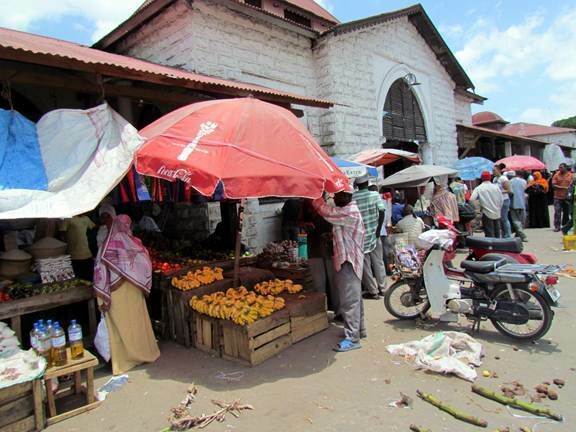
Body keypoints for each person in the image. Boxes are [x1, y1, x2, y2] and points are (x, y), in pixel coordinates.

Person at [93, 214, 160, 374]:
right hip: (134, 289)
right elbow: (146, 262)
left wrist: (101, 296)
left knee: (119, 327)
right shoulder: (135, 244)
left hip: (115, 292)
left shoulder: (105, 246)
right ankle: (145, 353)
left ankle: (123, 361)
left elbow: (99, 270)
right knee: (137, 323)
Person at [311, 187, 366, 352]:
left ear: (348, 196)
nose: (335, 198)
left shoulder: (349, 211)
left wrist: (313, 195)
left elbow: (326, 212)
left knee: (349, 300)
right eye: (336, 195)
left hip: (348, 260)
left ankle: (352, 338)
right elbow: (340, 227)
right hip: (348, 258)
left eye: (340, 195)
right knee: (354, 298)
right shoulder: (346, 210)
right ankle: (359, 330)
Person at [353, 174, 386, 300]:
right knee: (378, 262)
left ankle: (373, 291)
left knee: (365, 265)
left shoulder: (354, 197)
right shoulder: (374, 195)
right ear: (367, 184)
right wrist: (378, 229)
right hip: (374, 234)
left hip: (360, 236)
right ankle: (383, 289)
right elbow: (382, 211)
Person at [301, 200, 336, 313]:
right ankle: (322, 310)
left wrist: (333, 234)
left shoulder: (332, 201)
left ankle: (338, 310)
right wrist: (305, 225)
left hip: (331, 247)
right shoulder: (306, 203)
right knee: (319, 283)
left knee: (334, 281)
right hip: (314, 246)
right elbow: (299, 221)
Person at [59, 214, 96, 280]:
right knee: (77, 279)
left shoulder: (86, 218)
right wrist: (64, 248)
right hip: (74, 255)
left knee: (89, 278)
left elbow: (93, 227)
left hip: (87, 254)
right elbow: (62, 233)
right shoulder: (68, 219)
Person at [470, 171, 503, 238]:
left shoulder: (479, 188)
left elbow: (472, 199)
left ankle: (491, 247)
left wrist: (478, 208)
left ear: (481, 178)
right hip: (497, 211)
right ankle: (498, 245)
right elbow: (501, 199)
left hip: (486, 212)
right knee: (497, 232)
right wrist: (499, 208)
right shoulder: (496, 187)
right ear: (490, 178)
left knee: (489, 232)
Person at [551, 163, 574, 232]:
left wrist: (569, 188)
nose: (560, 169)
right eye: (559, 167)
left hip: (567, 197)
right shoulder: (556, 175)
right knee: (557, 212)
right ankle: (557, 226)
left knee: (567, 212)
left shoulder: (571, 175)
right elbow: (553, 185)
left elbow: (572, 184)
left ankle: (565, 226)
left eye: (561, 167)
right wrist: (563, 187)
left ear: (565, 168)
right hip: (557, 197)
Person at [507, 171, 528, 242]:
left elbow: (510, 193)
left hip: (513, 203)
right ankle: (518, 234)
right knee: (522, 220)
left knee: (515, 220)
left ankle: (522, 235)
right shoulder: (523, 181)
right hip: (522, 202)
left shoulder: (509, 182)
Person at [493, 163, 512, 237]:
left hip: (504, 200)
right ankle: (503, 234)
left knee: (504, 218)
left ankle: (508, 234)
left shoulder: (503, 178)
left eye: (494, 170)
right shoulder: (494, 179)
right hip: (497, 201)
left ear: (499, 170)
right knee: (500, 219)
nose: (493, 172)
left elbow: (509, 190)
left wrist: (499, 192)